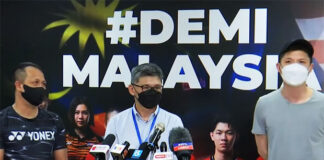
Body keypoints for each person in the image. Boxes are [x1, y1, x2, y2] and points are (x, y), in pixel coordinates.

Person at [252, 39, 324, 160]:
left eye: (301, 62)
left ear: (310, 68)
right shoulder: (264, 103)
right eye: (289, 62)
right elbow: (262, 149)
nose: (295, 67)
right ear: (279, 67)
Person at [104, 63, 184, 156]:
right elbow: (108, 157)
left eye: (157, 87)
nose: (152, 92)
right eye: (146, 87)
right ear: (132, 89)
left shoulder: (174, 122)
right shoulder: (116, 122)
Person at [0, 62, 67, 160]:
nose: (41, 87)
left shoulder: (54, 120)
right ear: (19, 86)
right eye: (35, 82)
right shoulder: (2, 120)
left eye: (43, 84)